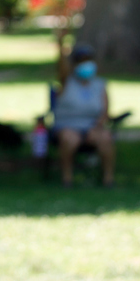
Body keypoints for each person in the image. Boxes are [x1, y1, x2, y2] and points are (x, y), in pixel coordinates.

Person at [53, 42, 115, 187]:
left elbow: (105, 112)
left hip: (92, 126)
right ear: (74, 65)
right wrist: (61, 45)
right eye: (81, 61)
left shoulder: (100, 85)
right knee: (70, 139)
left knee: (105, 138)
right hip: (67, 126)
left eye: (88, 60)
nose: (86, 65)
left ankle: (108, 179)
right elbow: (61, 68)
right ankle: (67, 179)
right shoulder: (66, 82)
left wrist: (96, 127)